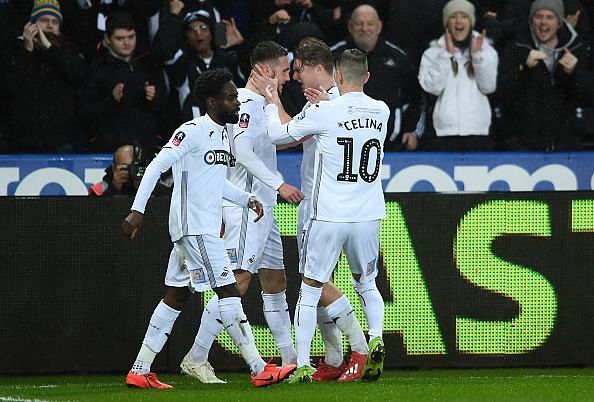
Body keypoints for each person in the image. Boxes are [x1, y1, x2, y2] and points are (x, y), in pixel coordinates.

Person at [122, 68, 295, 389]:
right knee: (229, 290)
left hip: (195, 230)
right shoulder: (193, 130)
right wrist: (137, 209)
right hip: (195, 228)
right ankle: (259, 369)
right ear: (212, 102)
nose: (237, 103)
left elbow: (215, 184)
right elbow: (158, 166)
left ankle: (140, 368)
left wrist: (246, 200)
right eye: (231, 98)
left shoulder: (222, 136)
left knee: (175, 296)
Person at [254, 37, 386, 382]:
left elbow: (283, 135)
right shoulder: (373, 108)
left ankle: (355, 348)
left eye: (298, 70)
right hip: (365, 210)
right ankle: (339, 354)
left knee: (312, 284)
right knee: (353, 282)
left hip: (322, 206)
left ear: (322, 70)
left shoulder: (324, 107)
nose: (295, 76)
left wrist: (272, 98)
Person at [178, 40, 304, 384]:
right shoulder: (246, 103)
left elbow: (286, 137)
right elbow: (242, 149)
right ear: (264, 70)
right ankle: (196, 355)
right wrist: (278, 184)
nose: (287, 78)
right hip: (247, 207)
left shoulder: (260, 103)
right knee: (237, 282)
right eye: (282, 71)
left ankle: (291, 360)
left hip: (264, 209)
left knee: (275, 281)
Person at [497, 0, 594, 150]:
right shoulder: (516, 48)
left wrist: (573, 73)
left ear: (559, 23)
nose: (543, 22)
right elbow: (503, 94)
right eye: (538, 16)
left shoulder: (576, 48)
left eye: (550, 17)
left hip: (565, 145)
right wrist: (524, 69)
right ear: (531, 21)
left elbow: (588, 97)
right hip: (524, 146)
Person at [331, 3, 424, 151]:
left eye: (370, 24)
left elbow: (416, 100)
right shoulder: (334, 56)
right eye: (359, 24)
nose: (364, 28)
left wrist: (411, 130)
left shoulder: (398, 59)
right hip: (343, 146)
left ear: (379, 26)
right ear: (350, 26)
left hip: (390, 146)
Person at [3, 0, 86, 153]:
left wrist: (49, 47)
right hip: (23, 140)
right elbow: (11, 87)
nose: (50, 25)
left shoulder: (69, 51)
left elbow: (76, 73)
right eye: (44, 20)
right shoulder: (15, 51)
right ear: (32, 25)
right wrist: (27, 50)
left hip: (61, 139)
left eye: (54, 22)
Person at [78, 10, 167, 153]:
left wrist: (154, 97)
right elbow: (85, 113)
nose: (127, 43)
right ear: (107, 39)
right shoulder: (97, 68)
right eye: (120, 38)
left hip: (146, 147)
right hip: (110, 150)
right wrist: (111, 100)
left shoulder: (147, 65)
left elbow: (164, 108)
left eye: (131, 37)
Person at [418, 0, 499, 151]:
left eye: (464, 16)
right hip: (443, 134)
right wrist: (446, 55)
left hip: (478, 133)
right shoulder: (432, 53)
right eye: (453, 16)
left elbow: (488, 87)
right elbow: (431, 88)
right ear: (446, 23)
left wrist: (476, 56)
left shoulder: (486, 50)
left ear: (471, 22)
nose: (459, 21)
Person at [153, 2, 250, 125]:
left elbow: (253, 75)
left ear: (211, 32)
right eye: (192, 29)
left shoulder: (228, 60)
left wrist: (241, 45)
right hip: (196, 135)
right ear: (186, 37)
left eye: (203, 28)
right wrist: (173, 16)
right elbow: (161, 51)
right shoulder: (182, 64)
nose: (198, 33)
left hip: (231, 131)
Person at [88, 144, 172, 197]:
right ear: (114, 168)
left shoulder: (159, 183)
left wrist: (150, 186)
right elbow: (93, 213)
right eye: (127, 167)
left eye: (136, 166)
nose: (133, 171)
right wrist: (114, 188)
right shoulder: (101, 189)